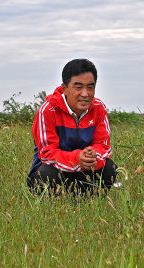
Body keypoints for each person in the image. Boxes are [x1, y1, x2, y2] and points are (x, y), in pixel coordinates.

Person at [27, 58, 117, 196]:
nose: (85, 94)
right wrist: (77, 159)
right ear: (65, 89)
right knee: (46, 173)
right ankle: (56, 203)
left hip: (85, 172)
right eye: (78, 87)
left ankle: (91, 201)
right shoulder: (48, 110)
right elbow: (47, 154)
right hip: (54, 174)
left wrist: (93, 156)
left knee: (109, 167)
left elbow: (104, 147)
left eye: (90, 87)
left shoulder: (99, 108)